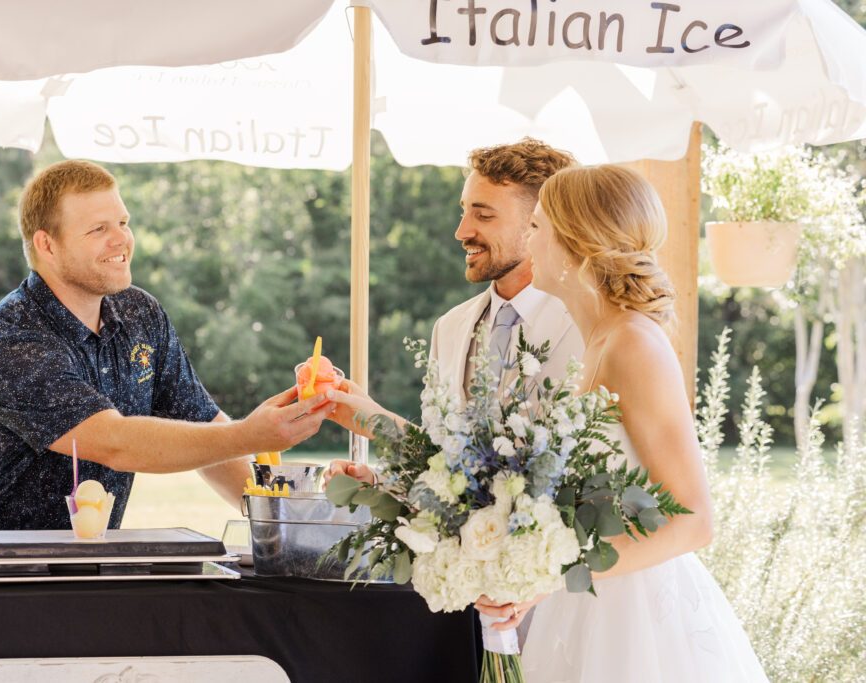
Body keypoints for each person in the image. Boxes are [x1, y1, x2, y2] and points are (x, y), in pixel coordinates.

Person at [471, 165, 767, 680]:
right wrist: (538, 578)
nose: (526, 239)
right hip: (587, 606)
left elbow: (694, 521)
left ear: (576, 243)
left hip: (638, 627)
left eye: (537, 226)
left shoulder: (633, 343)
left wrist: (556, 571)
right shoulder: (600, 340)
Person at [0, 160, 330, 531]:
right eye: (99, 229)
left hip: (78, 563)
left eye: (123, 222)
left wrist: (284, 525)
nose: (121, 240)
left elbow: (205, 425)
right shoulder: (10, 341)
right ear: (46, 245)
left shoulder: (140, 313)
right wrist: (251, 435)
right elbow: (115, 443)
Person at [327, 137, 582, 483]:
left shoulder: (586, 329)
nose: (462, 231)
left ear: (538, 222)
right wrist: (378, 481)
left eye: (484, 215)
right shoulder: (449, 328)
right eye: (463, 210)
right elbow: (444, 464)